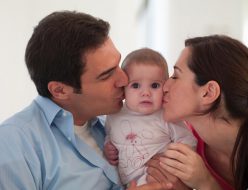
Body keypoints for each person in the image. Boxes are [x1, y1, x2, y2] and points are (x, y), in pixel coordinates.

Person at [0, 10, 171, 190]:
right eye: (107, 75)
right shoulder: (13, 144)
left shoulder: (111, 126)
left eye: (118, 65)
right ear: (60, 90)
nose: (124, 80)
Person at [146, 35, 248, 190]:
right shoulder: (185, 139)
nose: (164, 87)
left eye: (175, 76)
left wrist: (206, 184)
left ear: (208, 92)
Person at [104, 48, 197, 186]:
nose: (146, 93)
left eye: (154, 85)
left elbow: (188, 141)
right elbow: (109, 135)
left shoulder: (166, 116)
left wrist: (171, 161)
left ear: (165, 87)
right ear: (124, 89)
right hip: (125, 183)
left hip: (158, 179)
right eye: (135, 85)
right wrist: (108, 147)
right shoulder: (114, 115)